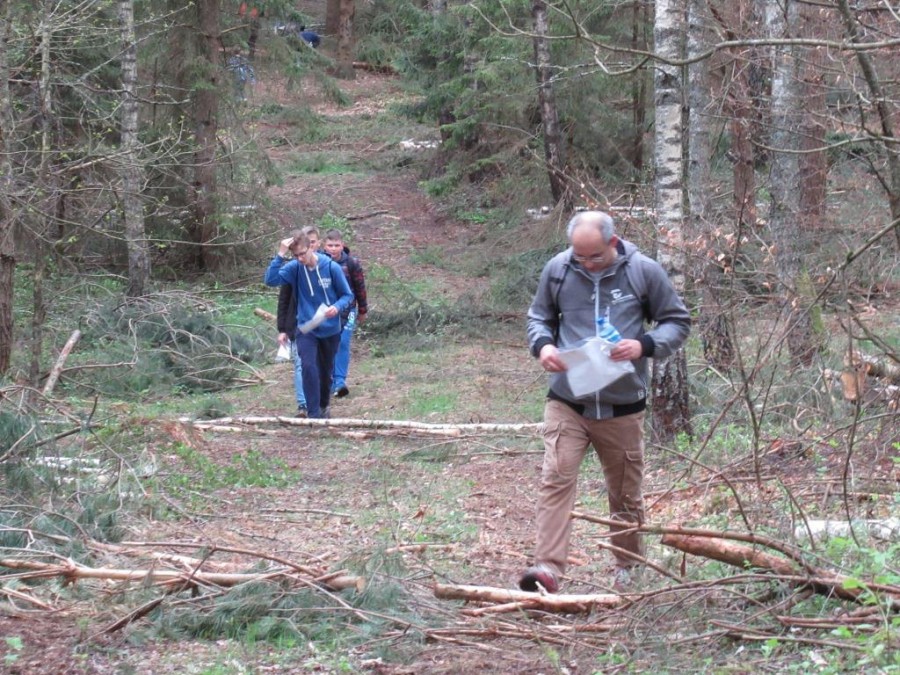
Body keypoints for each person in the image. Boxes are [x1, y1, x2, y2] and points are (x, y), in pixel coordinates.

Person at [521, 210, 691, 593]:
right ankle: (547, 569)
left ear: (613, 242)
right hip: (567, 399)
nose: (586, 263)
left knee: (625, 492)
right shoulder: (558, 270)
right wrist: (543, 345)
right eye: (579, 255)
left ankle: (628, 568)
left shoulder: (643, 271)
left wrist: (644, 345)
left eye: (594, 255)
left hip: (622, 404)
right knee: (556, 478)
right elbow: (538, 317)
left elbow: (677, 321)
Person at [265, 230, 354, 419]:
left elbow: (347, 295)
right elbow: (270, 280)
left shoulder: (331, 267)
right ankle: (313, 414)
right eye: (295, 255)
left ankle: (323, 405)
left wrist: (336, 307)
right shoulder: (295, 268)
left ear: (311, 247)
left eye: (302, 253)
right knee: (308, 366)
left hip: (330, 328)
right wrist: (280, 254)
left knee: (325, 372)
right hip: (306, 329)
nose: (300, 258)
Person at [275, 227, 321, 417]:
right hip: (298, 326)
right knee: (301, 364)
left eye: (312, 243)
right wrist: (282, 329)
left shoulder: (325, 266)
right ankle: (303, 405)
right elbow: (284, 299)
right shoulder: (292, 270)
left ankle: (318, 402)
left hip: (322, 325)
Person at [323, 229, 368, 398]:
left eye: (336, 245)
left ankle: (340, 382)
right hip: (326, 310)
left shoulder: (351, 263)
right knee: (327, 344)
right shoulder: (319, 262)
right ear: (324, 246)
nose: (333, 249)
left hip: (348, 309)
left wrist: (362, 310)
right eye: (330, 245)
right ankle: (327, 380)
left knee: (343, 342)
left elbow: (360, 287)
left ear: (342, 245)